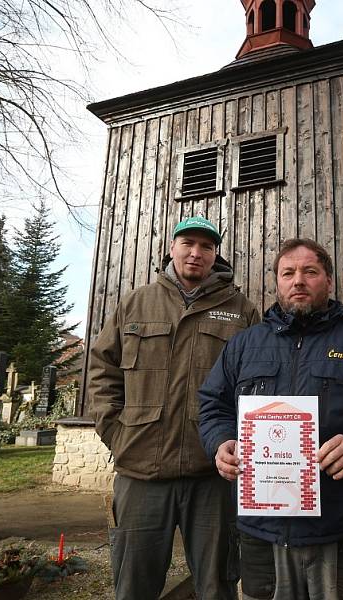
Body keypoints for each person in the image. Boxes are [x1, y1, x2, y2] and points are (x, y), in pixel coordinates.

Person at [199, 238, 343, 600]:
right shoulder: (243, 346)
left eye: (310, 271)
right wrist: (220, 442)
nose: (298, 280)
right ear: (277, 283)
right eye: (288, 273)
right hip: (261, 530)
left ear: (329, 281)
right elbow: (212, 404)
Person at [88, 216, 260, 600]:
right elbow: (102, 370)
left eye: (206, 247)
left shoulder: (242, 311)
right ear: (172, 248)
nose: (196, 253)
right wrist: (117, 433)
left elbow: (257, 386)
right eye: (188, 243)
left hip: (212, 476)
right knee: (134, 584)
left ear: (216, 255)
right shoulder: (136, 302)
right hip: (140, 472)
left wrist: (235, 444)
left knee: (217, 586)